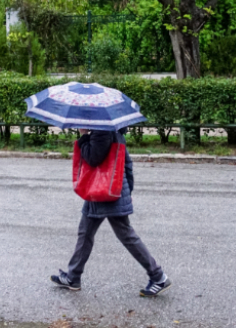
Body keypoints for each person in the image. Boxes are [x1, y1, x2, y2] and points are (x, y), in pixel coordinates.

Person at [51, 127, 171, 297]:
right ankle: (73, 277)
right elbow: (127, 163)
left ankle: (158, 276)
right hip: (106, 191)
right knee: (85, 233)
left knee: (126, 235)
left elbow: (92, 159)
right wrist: (128, 191)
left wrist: (84, 136)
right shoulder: (115, 132)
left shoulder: (102, 132)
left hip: (106, 192)